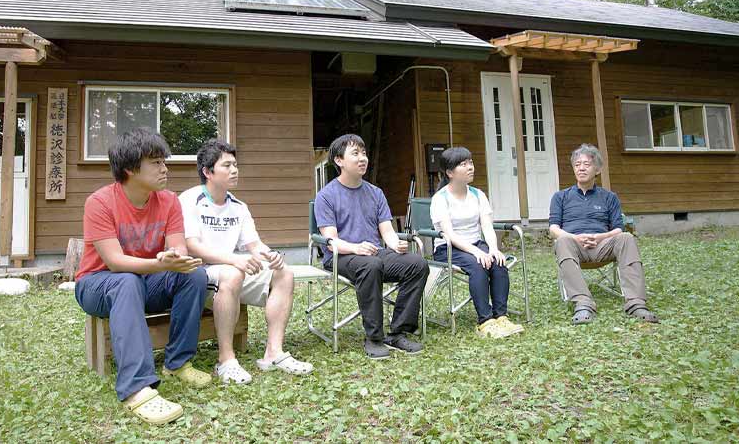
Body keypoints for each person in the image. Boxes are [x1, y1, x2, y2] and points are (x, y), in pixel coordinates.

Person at [75, 128, 216, 425]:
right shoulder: (99, 202)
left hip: (144, 282)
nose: (165, 168)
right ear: (129, 168)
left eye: (163, 161)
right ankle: (136, 388)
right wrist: (159, 264)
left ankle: (177, 362)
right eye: (155, 162)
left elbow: (177, 245)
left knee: (193, 275)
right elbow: (114, 262)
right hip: (97, 284)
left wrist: (174, 257)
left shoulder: (168, 201)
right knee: (126, 280)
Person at [179, 139, 313, 384]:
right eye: (227, 165)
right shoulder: (190, 200)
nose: (234, 170)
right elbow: (192, 245)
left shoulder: (238, 206)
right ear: (208, 172)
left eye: (235, 165)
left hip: (232, 271)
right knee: (233, 273)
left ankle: (274, 352)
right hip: (200, 275)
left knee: (284, 274)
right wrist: (235, 261)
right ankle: (226, 360)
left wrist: (269, 255)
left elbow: (254, 245)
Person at [314, 134, 429, 359]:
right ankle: (374, 338)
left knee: (417, 264)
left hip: (374, 253)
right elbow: (331, 240)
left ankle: (398, 332)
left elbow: (386, 231)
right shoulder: (326, 196)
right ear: (339, 161)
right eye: (355, 154)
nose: (362, 158)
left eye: (364, 153)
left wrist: (396, 244)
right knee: (371, 265)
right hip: (342, 255)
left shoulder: (375, 193)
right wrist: (356, 248)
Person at [549, 143, 659, 325]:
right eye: (577, 164)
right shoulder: (561, 197)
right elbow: (553, 229)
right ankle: (583, 303)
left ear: (597, 169)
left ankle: (636, 303)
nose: (581, 168)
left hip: (603, 245)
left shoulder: (609, 197)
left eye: (586, 164)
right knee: (562, 241)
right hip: (573, 245)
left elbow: (618, 228)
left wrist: (600, 237)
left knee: (626, 238)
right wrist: (574, 237)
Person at [430, 146, 525, 338]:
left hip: (475, 243)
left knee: (498, 261)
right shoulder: (440, 199)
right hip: (448, 248)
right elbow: (449, 235)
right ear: (450, 172)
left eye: (470, 162)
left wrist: (493, 248)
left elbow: (487, 226)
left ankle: (501, 317)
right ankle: (485, 321)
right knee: (478, 265)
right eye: (463, 164)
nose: (470, 167)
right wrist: (476, 252)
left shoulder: (478, 194)